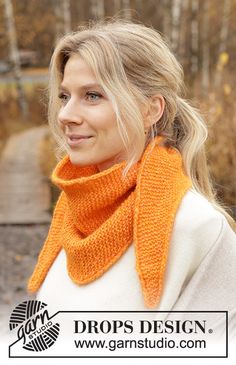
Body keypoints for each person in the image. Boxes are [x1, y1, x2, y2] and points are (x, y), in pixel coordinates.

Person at [27, 19, 236, 345]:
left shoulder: (195, 227)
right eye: (65, 96)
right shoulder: (72, 213)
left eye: (93, 95)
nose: (66, 114)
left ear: (151, 109)